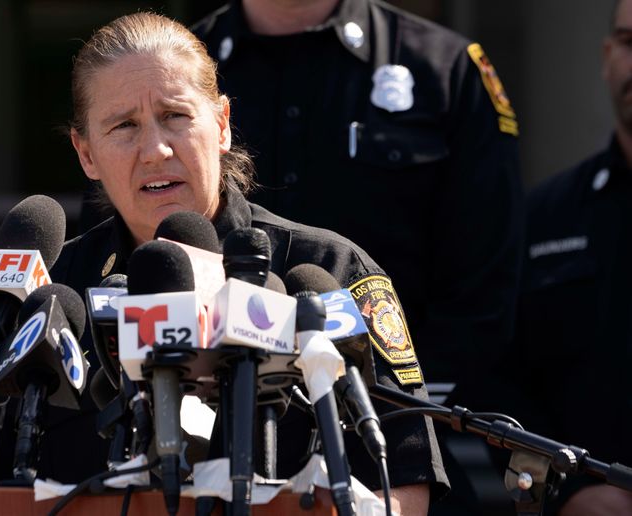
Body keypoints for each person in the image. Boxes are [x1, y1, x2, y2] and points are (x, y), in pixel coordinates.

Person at [0, 12, 449, 513]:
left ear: (221, 124)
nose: (155, 149)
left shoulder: (324, 270)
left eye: (175, 116)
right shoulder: (46, 295)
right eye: (124, 126)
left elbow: (401, 488)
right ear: (86, 154)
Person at [189, 0, 524, 408]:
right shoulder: (179, 68)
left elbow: (485, 280)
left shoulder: (443, 67)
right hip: (209, 412)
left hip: (390, 416)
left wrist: (411, 411)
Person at [504, 1, 632, 514]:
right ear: (606, 56)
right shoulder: (547, 216)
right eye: (628, 43)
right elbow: (501, 377)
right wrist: (568, 492)